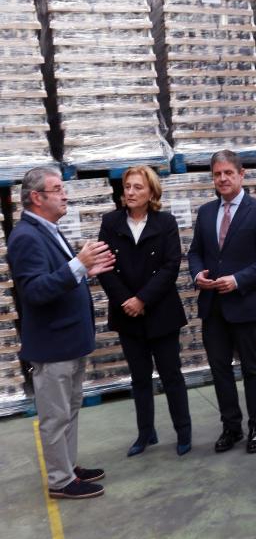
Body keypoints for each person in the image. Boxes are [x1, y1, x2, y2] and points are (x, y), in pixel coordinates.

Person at [7, 166, 115, 499]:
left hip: (69, 341)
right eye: (57, 189)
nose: (64, 194)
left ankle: (67, 467)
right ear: (37, 198)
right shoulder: (26, 237)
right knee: (55, 416)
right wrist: (78, 265)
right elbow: (35, 291)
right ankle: (60, 481)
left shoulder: (49, 229)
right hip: (52, 346)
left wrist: (85, 270)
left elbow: (62, 278)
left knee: (69, 409)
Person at [188, 149, 256, 454]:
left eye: (228, 173)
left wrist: (238, 279)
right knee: (220, 370)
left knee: (252, 368)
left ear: (242, 175)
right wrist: (196, 274)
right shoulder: (205, 212)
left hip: (243, 303)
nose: (223, 179)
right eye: (217, 174)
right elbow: (195, 252)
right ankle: (231, 426)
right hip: (212, 305)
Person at [98, 166, 192, 458]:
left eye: (138, 187)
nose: (130, 192)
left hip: (161, 313)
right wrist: (127, 300)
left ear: (151, 192)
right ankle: (145, 433)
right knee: (139, 378)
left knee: (171, 375)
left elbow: (170, 266)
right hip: (127, 314)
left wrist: (142, 299)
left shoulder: (165, 222)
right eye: (127, 186)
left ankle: (183, 432)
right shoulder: (110, 222)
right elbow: (104, 267)